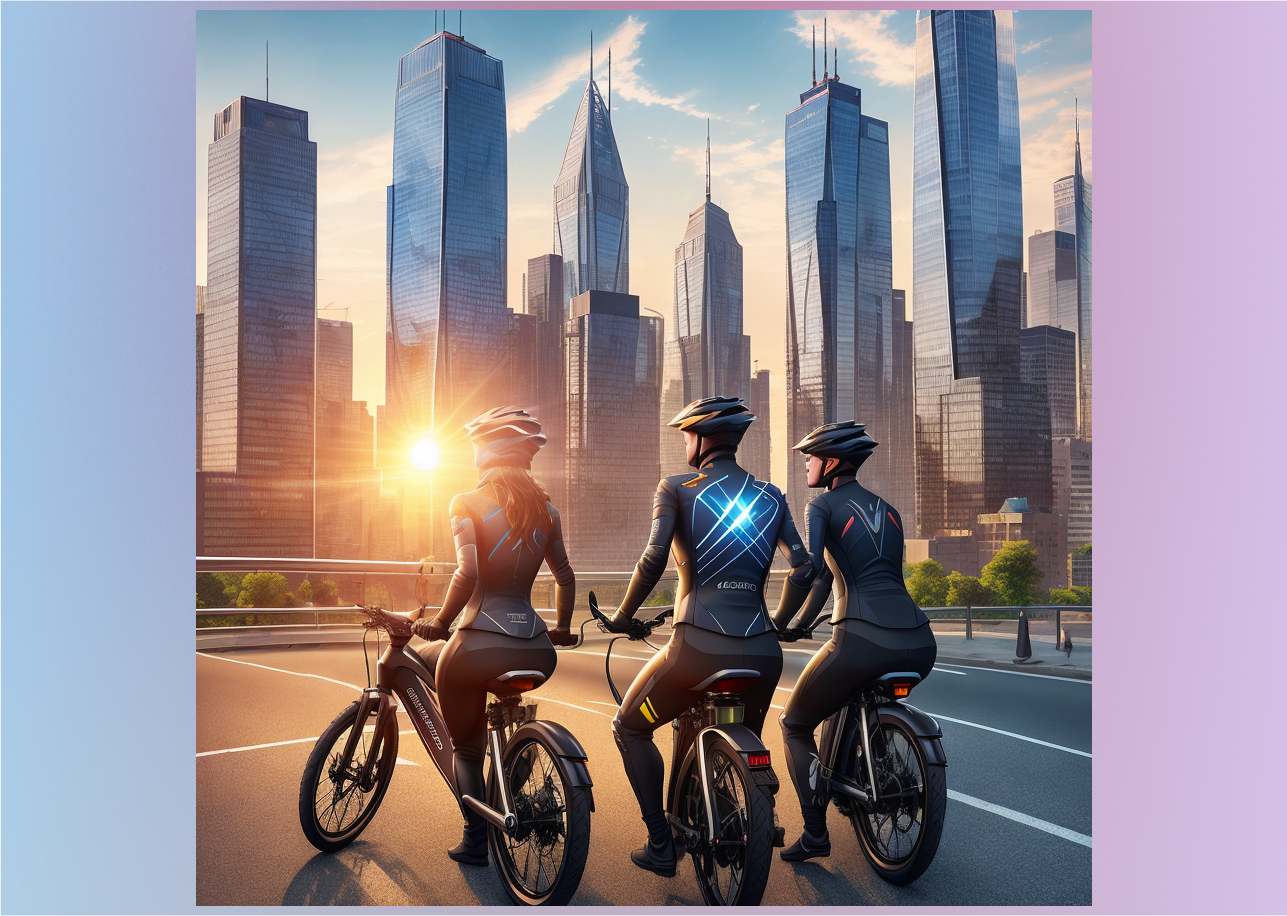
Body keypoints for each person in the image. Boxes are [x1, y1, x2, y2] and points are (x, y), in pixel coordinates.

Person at [604, 396, 817, 876]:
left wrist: (622, 616)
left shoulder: (676, 487)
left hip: (696, 649)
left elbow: (654, 558)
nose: (684, 443)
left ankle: (661, 842)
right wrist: (779, 624)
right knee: (745, 737)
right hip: (762, 655)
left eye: (685, 435)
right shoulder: (771, 496)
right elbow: (803, 569)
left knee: (630, 727)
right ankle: (741, 804)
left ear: (701, 439)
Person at [409, 407, 577, 866]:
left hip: (478, 646)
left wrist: (441, 623)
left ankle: (475, 839)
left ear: (485, 451)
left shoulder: (465, 502)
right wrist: (560, 628)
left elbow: (469, 571)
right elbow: (564, 575)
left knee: (466, 747)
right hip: (538, 652)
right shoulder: (548, 511)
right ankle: (513, 771)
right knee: (496, 714)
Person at [772, 420, 937, 862]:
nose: (806, 464)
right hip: (919, 641)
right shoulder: (891, 511)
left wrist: (786, 622)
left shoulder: (820, 506)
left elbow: (814, 574)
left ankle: (814, 833)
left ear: (829, 463)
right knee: (852, 692)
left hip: (860, 637)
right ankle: (868, 766)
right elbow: (866, 576)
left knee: (794, 723)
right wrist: (806, 621)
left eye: (809, 457)